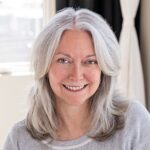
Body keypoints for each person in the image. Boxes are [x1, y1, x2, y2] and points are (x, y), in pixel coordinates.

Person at [3, 8, 150, 150]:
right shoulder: (19, 139)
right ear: (45, 66)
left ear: (103, 68)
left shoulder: (134, 122)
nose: (77, 75)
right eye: (64, 60)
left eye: (90, 61)